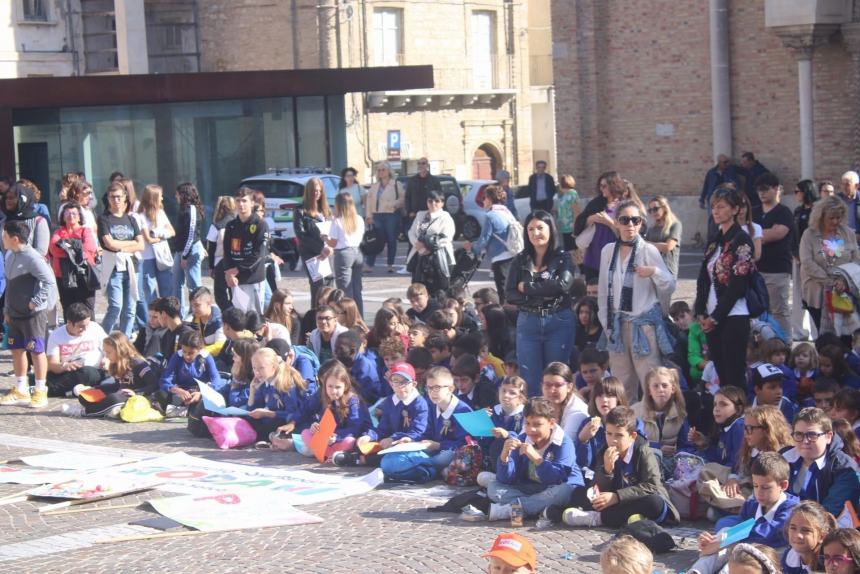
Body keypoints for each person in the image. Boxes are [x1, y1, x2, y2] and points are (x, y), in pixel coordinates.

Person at [598, 200, 675, 402]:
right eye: (624, 220)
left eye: (635, 220)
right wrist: (607, 326)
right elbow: (603, 291)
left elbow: (669, 285)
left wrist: (654, 272)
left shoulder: (648, 250)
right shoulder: (608, 251)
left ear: (641, 223)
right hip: (617, 326)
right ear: (616, 222)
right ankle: (625, 429)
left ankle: (656, 429)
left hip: (643, 326)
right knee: (621, 387)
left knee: (652, 383)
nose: (630, 225)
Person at [559, 405, 679, 528]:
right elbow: (598, 488)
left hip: (640, 500)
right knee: (578, 494)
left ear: (632, 436)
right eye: (609, 434)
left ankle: (598, 518)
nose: (613, 440)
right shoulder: (604, 451)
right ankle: (633, 519)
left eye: (619, 435)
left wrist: (617, 496)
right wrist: (607, 470)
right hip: (620, 504)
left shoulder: (643, 451)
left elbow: (652, 486)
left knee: (654, 503)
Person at [478, 397, 583, 522]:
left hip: (556, 488)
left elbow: (558, 478)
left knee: (563, 492)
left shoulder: (564, 442)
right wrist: (504, 457)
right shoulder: (522, 438)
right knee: (493, 488)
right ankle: (534, 508)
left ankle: (512, 509)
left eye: (537, 424)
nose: (531, 429)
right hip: (531, 489)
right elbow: (506, 479)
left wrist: (537, 458)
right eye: (527, 423)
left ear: (551, 423)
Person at [690, 453, 798, 574]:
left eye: (765, 487)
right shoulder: (752, 503)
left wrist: (723, 541)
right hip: (745, 547)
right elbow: (740, 528)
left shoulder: (791, 508)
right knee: (725, 532)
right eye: (755, 486)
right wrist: (714, 541)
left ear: (783, 485)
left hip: (771, 552)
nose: (759, 492)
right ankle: (696, 571)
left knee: (739, 557)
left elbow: (765, 534)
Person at [506, 211, 574, 396]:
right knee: (531, 381)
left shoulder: (563, 258)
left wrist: (527, 288)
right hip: (529, 322)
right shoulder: (520, 260)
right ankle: (536, 421)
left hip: (558, 320)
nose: (535, 233)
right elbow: (510, 293)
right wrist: (543, 292)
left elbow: (562, 285)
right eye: (530, 229)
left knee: (557, 379)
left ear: (551, 229)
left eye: (540, 228)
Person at [695, 186, 755, 392]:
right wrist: (701, 312)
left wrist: (716, 317)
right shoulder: (714, 240)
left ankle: (739, 417)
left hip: (733, 315)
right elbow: (703, 279)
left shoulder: (742, 240)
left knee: (734, 375)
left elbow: (738, 285)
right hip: (712, 316)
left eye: (721, 207)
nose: (716, 211)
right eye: (714, 207)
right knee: (721, 371)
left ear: (736, 209)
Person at [0, 220, 58, 409]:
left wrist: (35, 303)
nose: (2, 237)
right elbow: (9, 286)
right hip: (14, 314)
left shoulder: (33, 257)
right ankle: (20, 389)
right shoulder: (9, 255)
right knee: (16, 350)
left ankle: (40, 390)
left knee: (36, 351)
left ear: (14, 238)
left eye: (5, 234)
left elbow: (49, 281)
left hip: (32, 315)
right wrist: (7, 309)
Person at [379, 366, 471, 483]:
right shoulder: (432, 406)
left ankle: (428, 471)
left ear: (451, 389)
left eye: (437, 388)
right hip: (431, 452)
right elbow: (425, 433)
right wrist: (410, 439)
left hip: (448, 455)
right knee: (389, 460)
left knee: (447, 455)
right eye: (429, 388)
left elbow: (465, 445)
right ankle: (429, 470)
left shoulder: (463, 410)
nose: (432, 392)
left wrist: (438, 445)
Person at [336, 362, 429, 467]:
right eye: (396, 382)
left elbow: (418, 432)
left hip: (409, 443)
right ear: (391, 384)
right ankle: (357, 456)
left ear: (414, 384)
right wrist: (369, 436)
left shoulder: (420, 404)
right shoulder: (390, 401)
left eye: (405, 382)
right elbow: (383, 429)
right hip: (391, 443)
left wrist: (393, 439)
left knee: (393, 457)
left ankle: (358, 459)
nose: (400, 386)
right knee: (362, 444)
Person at [799, 195, 860, 333]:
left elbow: (856, 260)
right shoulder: (809, 235)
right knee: (826, 337)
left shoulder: (848, 233)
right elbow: (807, 263)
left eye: (838, 217)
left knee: (848, 335)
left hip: (845, 291)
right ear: (821, 216)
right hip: (817, 292)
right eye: (831, 218)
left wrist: (843, 280)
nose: (835, 221)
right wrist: (831, 282)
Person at [66, 331, 162, 418]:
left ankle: (85, 412)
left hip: (138, 398)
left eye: (109, 352)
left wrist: (136, 392)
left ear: (120, 350)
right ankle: (106, 410)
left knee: (113, 399)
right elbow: (118, 385)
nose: (106, 356)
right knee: (85, 396)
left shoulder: (137, 363)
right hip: (122, 395)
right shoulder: (116, 364)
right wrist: (96, 388)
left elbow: (154, 384)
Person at [784, 407, 860, 515]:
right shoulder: (783, 458)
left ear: (828, 436)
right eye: (799, 434)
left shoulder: (844, 466)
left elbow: (829, 511)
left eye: (812, 435)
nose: (805, 441)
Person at [298, 360, 370, 462]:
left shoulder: (353, 401)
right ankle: (328, 453)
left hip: (345, 437)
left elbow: (355, 428)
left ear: (345, 386)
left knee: (350, 442)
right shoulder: (327, 398)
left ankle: (324, 452)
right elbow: (325, 422)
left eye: (338, 387)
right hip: (329, 440)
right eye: (330, 386)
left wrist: (336, 437)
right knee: (305, 433)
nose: (333, 391)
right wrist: (316, 427)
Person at [98, 181, 144, 338]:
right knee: (116, 306)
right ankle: (103, 338)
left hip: (132, 267)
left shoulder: (131, 219)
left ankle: (125, 340)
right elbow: (108, 243)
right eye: (112, 197)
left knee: (130, 308)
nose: (116, 200)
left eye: (118, 197)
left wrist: (120, 246)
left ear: (125, 197)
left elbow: (141, 245)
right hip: (113, 268)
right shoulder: (104, 219)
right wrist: (131, 244)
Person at [753, 172, 795, 339]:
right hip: (756, 268)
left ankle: (785, 344)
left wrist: (755, 235)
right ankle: (766, 346)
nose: (761, 193)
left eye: (765, 189)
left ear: (776, 189)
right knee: (758, 311)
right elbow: (745, 233)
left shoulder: (784, 212)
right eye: (758, 190)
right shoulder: (754, 212)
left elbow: (776, 234)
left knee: (779, 310)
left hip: (777, 269)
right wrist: (759, 234)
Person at [246, 347, 310, 444]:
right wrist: (252, 391)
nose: (257, 372)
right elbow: (252, 411)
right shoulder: (264, 382)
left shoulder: (286, 384)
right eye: (254, 368)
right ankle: (271, 438)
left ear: (274, 367)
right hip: (269, 420)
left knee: (269, 427)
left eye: (261, 368)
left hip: (287, 422)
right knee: (249, 421)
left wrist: (268, 413)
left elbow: (293, 413)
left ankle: (276, 438)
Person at [466, 185, 518, 303]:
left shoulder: (490, 215)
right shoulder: (507, 212)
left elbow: (484, 240)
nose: (483, 201)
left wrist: (472, 247)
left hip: (500, 257)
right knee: (510, 289)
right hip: (512, 253)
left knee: (503, 291)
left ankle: (506, 317)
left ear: (489, 199)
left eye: (484, 198)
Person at [223, 187, 269, 314]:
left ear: (252, 203)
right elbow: (227, 251)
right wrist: (228, 273)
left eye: (244, 201)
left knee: (254, 318)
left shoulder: (260, 224)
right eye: (238, 201)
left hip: (253, 278)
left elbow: (259, 254)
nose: (241, 204)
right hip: (235, 279)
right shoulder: (231, 225)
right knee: (238, 317)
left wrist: (237, 269)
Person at [44, 303, 107, 397]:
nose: (85, 329)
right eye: (81, 326)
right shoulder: (56, 335)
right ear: (69, 322)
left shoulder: (95, 327)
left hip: (95, 371)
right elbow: (52, 364)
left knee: (88, 373)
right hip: (70, 374)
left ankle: (50, 390)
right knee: (45, 375)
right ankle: (71, 391)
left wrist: (107, 359)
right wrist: (65, 366)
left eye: (87, 325)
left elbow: (111, 349)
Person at [157, 330, 222, 416]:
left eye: (191, 353)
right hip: (182, 393)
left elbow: (216, 380)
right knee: (161, 394)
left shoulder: (206, 357)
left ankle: (182, 410)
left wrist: (201, 394)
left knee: (212, 398)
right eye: (184, 351)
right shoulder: (177, 356)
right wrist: (176, 390)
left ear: (199, 350)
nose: (187, 356)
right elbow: (164, 380)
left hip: (200, 392)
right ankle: (190, 411)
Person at [49, 203, 98, 319]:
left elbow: (89, 248)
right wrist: (77, 246)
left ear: (80, 216)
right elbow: (54, 249)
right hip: (64, 276)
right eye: (67, 213)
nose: (71, 216)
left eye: (74, 213)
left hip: (85, 274)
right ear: (63, 216)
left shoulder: (85, 231)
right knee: (68, 307)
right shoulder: (58, 232)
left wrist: (65, 245)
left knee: (87, 306)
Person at [631, 367, 691, 460]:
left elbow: (687, 445)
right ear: (649, 390)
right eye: (655, 386)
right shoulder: (634, 412)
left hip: (672, 461)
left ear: (673, 389)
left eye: (665, 385)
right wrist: (658, 447)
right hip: (643, 460)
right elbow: (630, 442)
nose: (660, 389)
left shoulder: (680, 413)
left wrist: (677, 451)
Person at [406, 189, 456, 297]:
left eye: (437, 201)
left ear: (442, 203)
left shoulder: (446, 218)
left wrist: (428, 247)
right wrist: (418, 245)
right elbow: (411, 232)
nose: (433, 203)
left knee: (437, 292)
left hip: (438, 257)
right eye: (430, 201)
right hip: (419, 256)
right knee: (418, 289)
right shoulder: (420, 215)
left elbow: (446, 238)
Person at [137, 184, 175, 317]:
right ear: (153, 198)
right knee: (150, 291)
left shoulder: (161, 213)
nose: (162, 199)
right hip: (147, 258)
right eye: (160, 196)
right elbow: (148, 239)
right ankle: (154, 319)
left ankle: (168, 316)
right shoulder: (140, 216)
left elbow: (172, 231)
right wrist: (159, 236)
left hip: (162, 256)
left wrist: (157, 233)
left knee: (167, 288)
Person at [295, 177, 334, 305]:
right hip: (312, 253)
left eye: (319, 191)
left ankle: (329, 315)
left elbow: (333, 231)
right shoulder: (301, 211)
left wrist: (331, 247)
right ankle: (315, 317)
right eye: (314, 191)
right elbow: (301, 235)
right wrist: (320, 249)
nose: (317, 193)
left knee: (329, 286)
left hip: (328, 252)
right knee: (318, 287)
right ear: (308, 192)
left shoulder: (326, 210)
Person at [688, 386, 746, 469]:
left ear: (738, 409)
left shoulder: (739, 426)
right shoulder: (724, 426)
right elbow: (718, 458)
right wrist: (704, 443)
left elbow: (736, 464)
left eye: (723, 405)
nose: (716, 409)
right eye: (715, 404)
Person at [170, 182, 205, 318]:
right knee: (176, 283)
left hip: (188, 251)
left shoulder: (191, 209)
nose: (176, 196)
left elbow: (191, 234)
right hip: (181, 250)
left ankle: (197, 312)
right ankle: (178, 312)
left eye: (178, 194)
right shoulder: (183, 209)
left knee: (193, 284)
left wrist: (185, 255)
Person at [328, 192, 365, 315]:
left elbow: (332, 243)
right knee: (357, 289)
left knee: (345, 290)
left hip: (343, 254)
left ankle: (349, 318)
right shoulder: (359, 219)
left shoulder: (337, 221)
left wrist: (324, 238)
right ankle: (360, 316)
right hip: (357, 252)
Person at [364, 161, 404, 274]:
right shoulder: (374, 186)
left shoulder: (396, 184)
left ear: (389, 171)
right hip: (377, 215)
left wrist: (393, 204)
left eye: (383, 170)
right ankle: (369, 264)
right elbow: (369, 202)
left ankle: (390, 264)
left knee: (391, 240)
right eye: (379, 170)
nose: (381, 172)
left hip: (391, 215)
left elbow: (403, 199)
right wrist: (368, 216)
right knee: (374, 239)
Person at [793, 179, 819, 341]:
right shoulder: (797, 211)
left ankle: (816, 330)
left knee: (813, 295)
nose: (796, 195)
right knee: (797, 294)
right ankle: (799, 330)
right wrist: (794, 253)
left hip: (814, 259)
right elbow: (794, 234)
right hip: (798, 258)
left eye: (798, 191)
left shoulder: (817, 211)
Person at [781, 501, 837, 574]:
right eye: (793, 528)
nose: (798, 535)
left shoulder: (830, 562)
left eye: (806, 530)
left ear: (822, 536)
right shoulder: (789, 556)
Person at [205, 196, 236, 312]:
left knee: (220, 293)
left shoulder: (216, 225)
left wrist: (211, 266)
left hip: (220, 262)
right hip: (235, 261)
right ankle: (235, 311)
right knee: (234, 291)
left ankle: (228, 312)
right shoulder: (237, 223)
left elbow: (211, 247)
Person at [645, 195, 682, 278]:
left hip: (667, 269)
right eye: (650, 210)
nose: (653, 212)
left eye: (655, 209)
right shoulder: (652, 228)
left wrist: (647, 243)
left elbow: (668, 247)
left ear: (664, 208)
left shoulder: (675, 225)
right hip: (652, 269)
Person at [404, 157, 441, 238]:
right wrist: (409, 211)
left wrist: (436, 211)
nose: (421, 165)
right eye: (419, 163)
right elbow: (407, 197)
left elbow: (439, 197)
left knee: (428, 238)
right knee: (414, 239)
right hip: (415, 215)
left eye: (423, 163)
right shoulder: (412, 180)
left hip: (430, 214)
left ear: (427, 165)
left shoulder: (434, 180)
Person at [189, 287, 226, 357]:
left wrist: (199, 352)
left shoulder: (219, 320)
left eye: (197, 305)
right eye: (192, 306)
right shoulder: (194, 318)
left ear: (209, 303)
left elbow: (220, 346)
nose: (193, 309)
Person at [554, 174, 580, 262]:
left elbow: (576, 212)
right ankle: (573, 267)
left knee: (573, 249)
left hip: (570, 227)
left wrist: (575, 227)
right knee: (569, 249)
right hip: (565, 228)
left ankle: (580, 269)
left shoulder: (572, 194)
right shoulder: (565, 195)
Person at [839, 170, 860, 244]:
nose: (844, 187)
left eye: (847, 184)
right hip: (840, 241)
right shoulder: (837, 200)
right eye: (842, 184)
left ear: (856, 186)